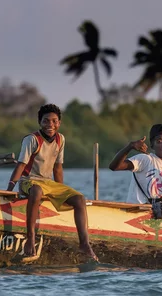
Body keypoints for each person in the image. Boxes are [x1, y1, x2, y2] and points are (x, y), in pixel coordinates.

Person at [6, 103, 97, 262]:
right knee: (37, 191)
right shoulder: (32, 139)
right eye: (46, 121)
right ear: (40, 123)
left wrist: (61, 191)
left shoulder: (61, 139)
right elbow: (21, 165)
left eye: (54, 121)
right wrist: (10, 189)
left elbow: (58, 168)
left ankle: (84, 244)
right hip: (29, 181)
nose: (50, 125)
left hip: (49, 183)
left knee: (79, 199)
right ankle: (30, 238)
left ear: (59, 123)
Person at [108, 123, 162, 205]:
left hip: (159, 214)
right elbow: (114, 167)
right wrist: (130, 146)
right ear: (152, 145)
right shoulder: (145, 160)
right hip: (136, 212)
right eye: (160, 141)